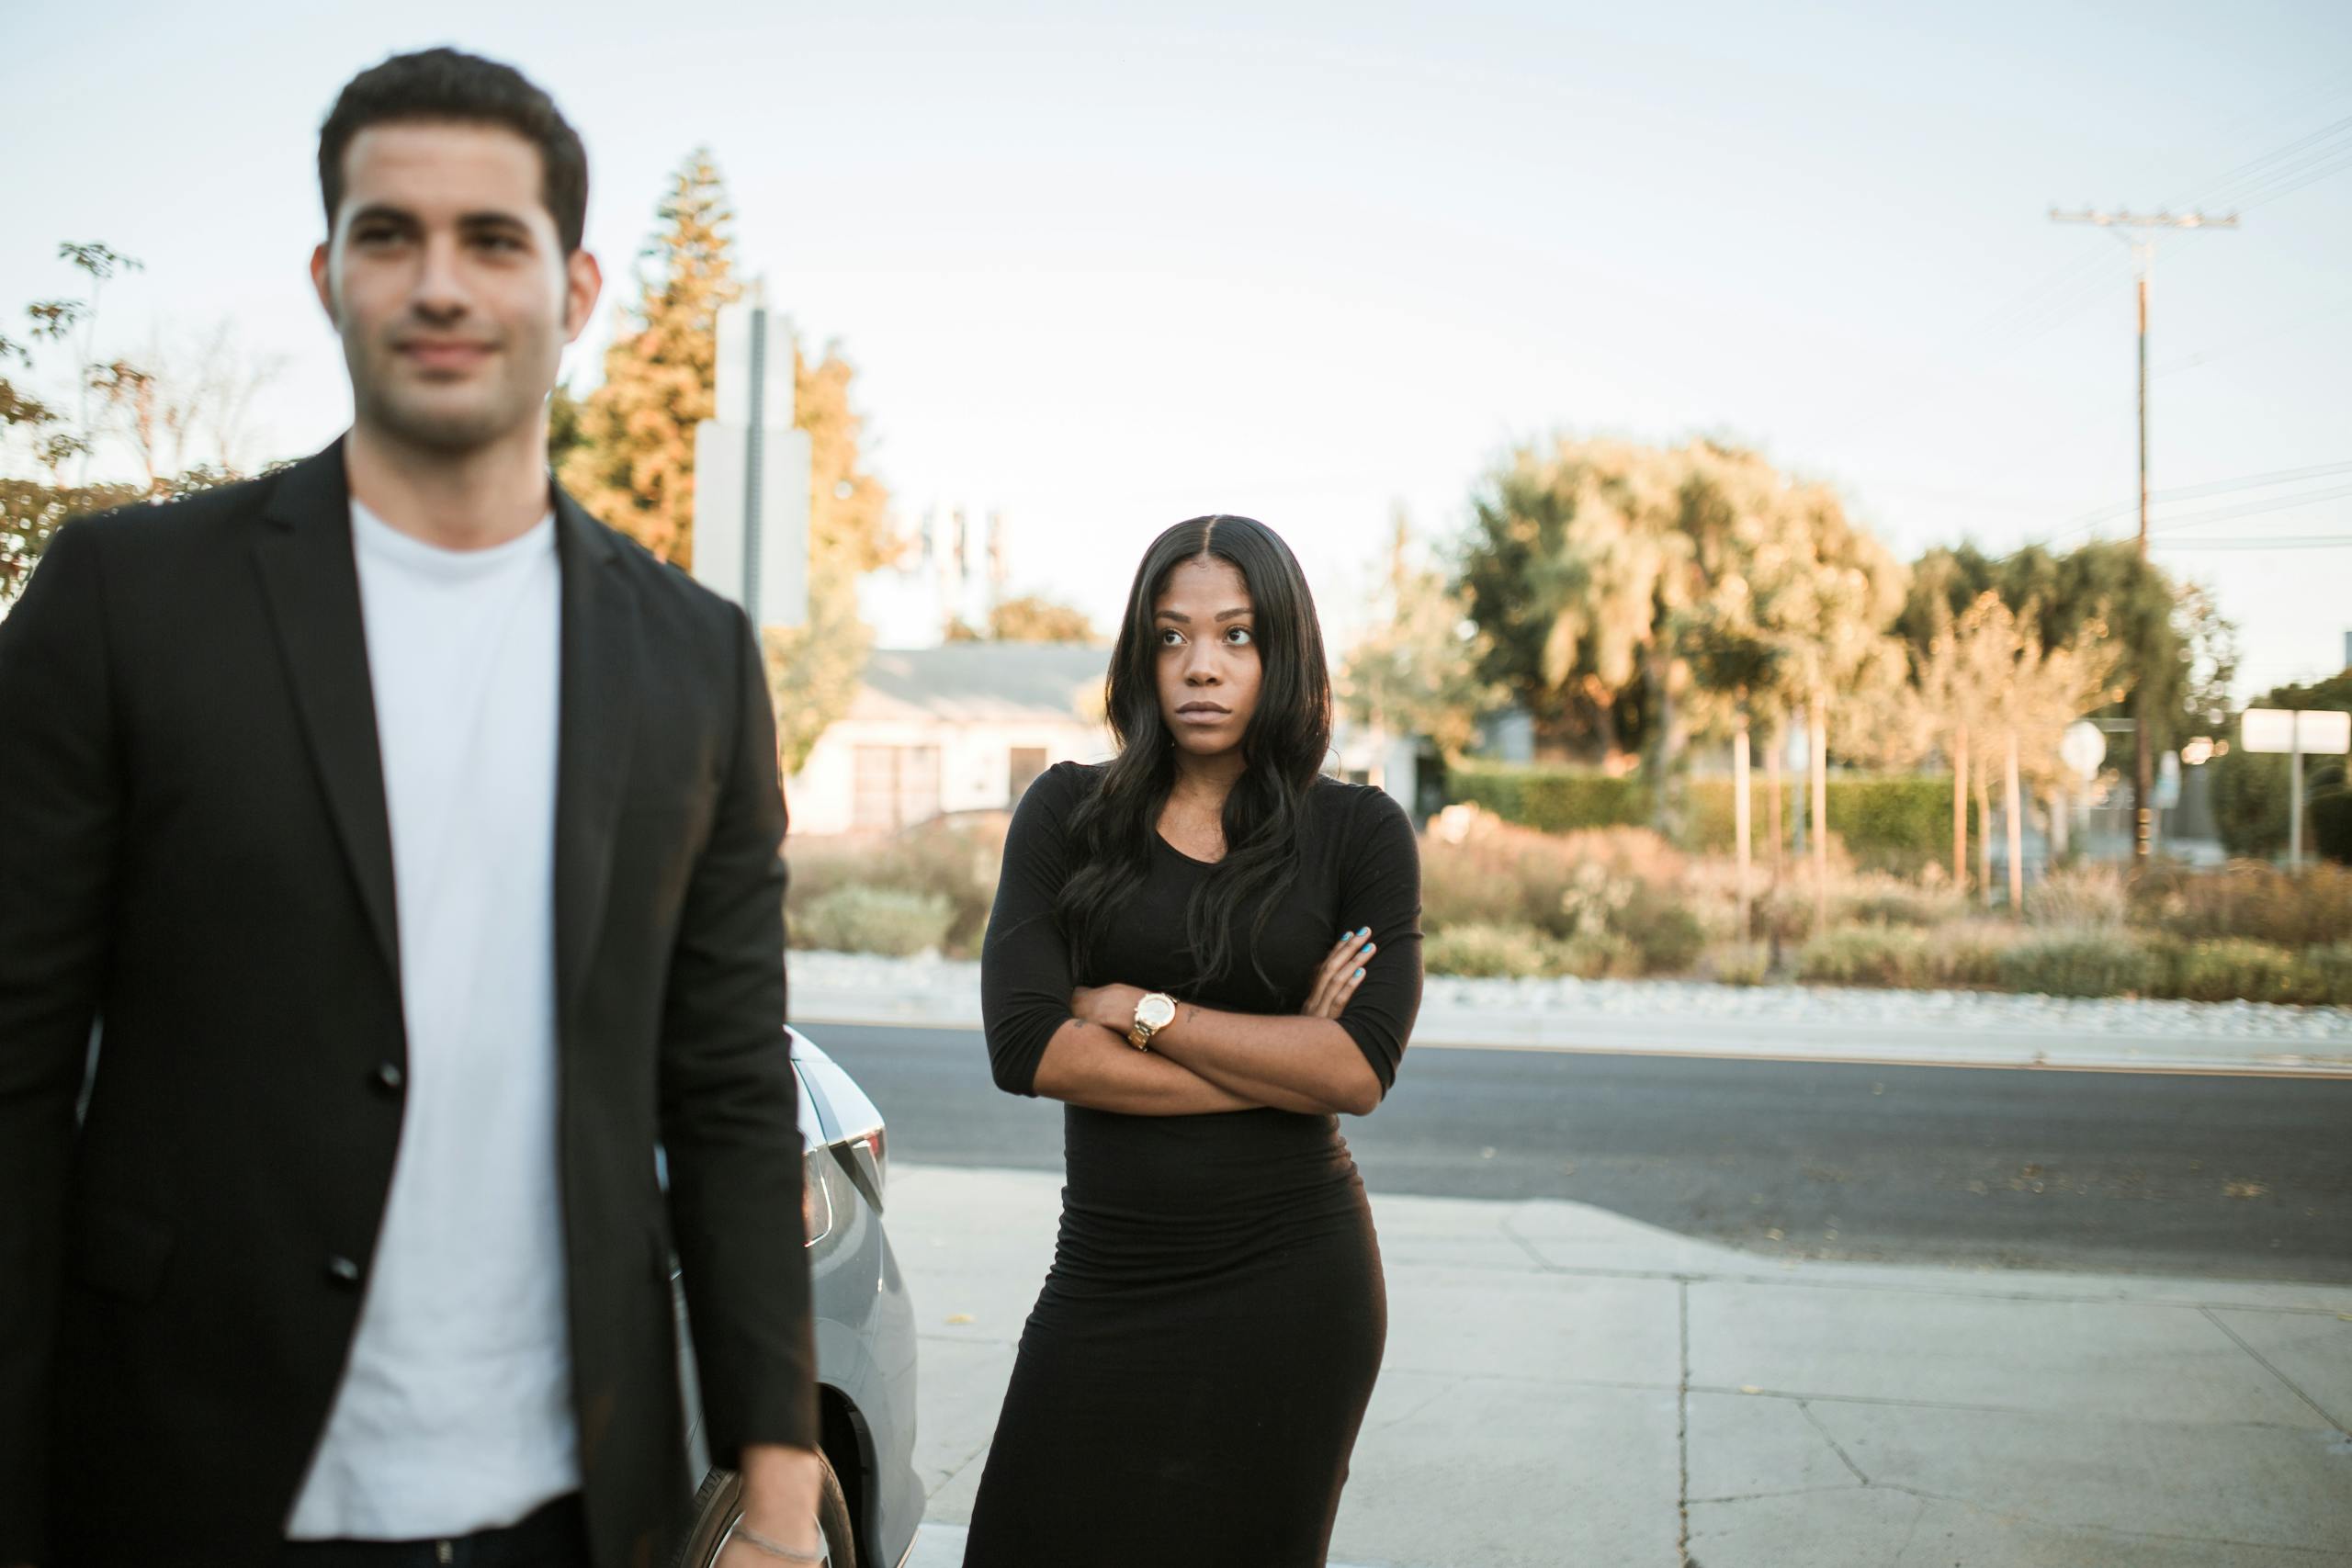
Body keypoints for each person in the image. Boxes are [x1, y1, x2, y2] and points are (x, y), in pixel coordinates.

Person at [0, 48, 826, 1568]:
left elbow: (723, 1092)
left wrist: (777, 1510)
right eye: (392, 235)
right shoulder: (127, 602)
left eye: (491, 239)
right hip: (189, 1483)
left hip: (574, 1507)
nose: (439, 282)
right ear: (329, 275)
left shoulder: (694, 655)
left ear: (574, 292)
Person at [964, 514, 1423, 1565]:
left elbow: (1355, 1069)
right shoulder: (1068, 812)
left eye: (1236, 636)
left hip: (1292, 1287)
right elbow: (1027, 1048)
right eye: (1171, 638)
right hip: (1106, 1278)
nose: (1200, 668)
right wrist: (1277, 1067)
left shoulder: (1358, 833)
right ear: (1139, 655)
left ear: (1284, 653)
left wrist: (1137, 1010)